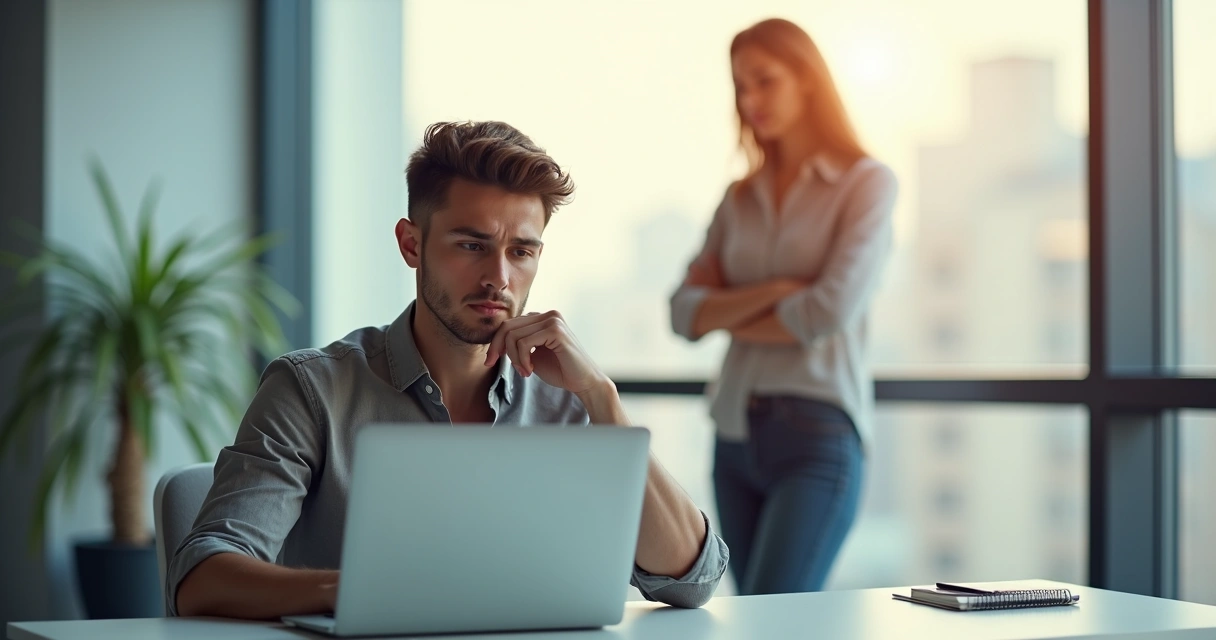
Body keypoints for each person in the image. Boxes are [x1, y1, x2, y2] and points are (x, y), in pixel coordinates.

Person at [169, 121, 728, 619]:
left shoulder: (569, 399)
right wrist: (359, 591)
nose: (499, 278)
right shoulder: (313, 389)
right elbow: (202, 576)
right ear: (412, 244)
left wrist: (603, 398)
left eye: (522, 252)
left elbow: (690, 580)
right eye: (472, 245)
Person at [670, 18, 898, 595]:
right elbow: (682, 314)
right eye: (740, 86)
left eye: (764, 81)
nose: (750, 101)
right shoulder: (738, 199)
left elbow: (825, 315)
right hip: (734, 435)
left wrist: (726, 310)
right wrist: (777, 293)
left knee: (777, 619)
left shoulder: (866, 184)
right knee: (749, 615)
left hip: (817, 437)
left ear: (809, 81)